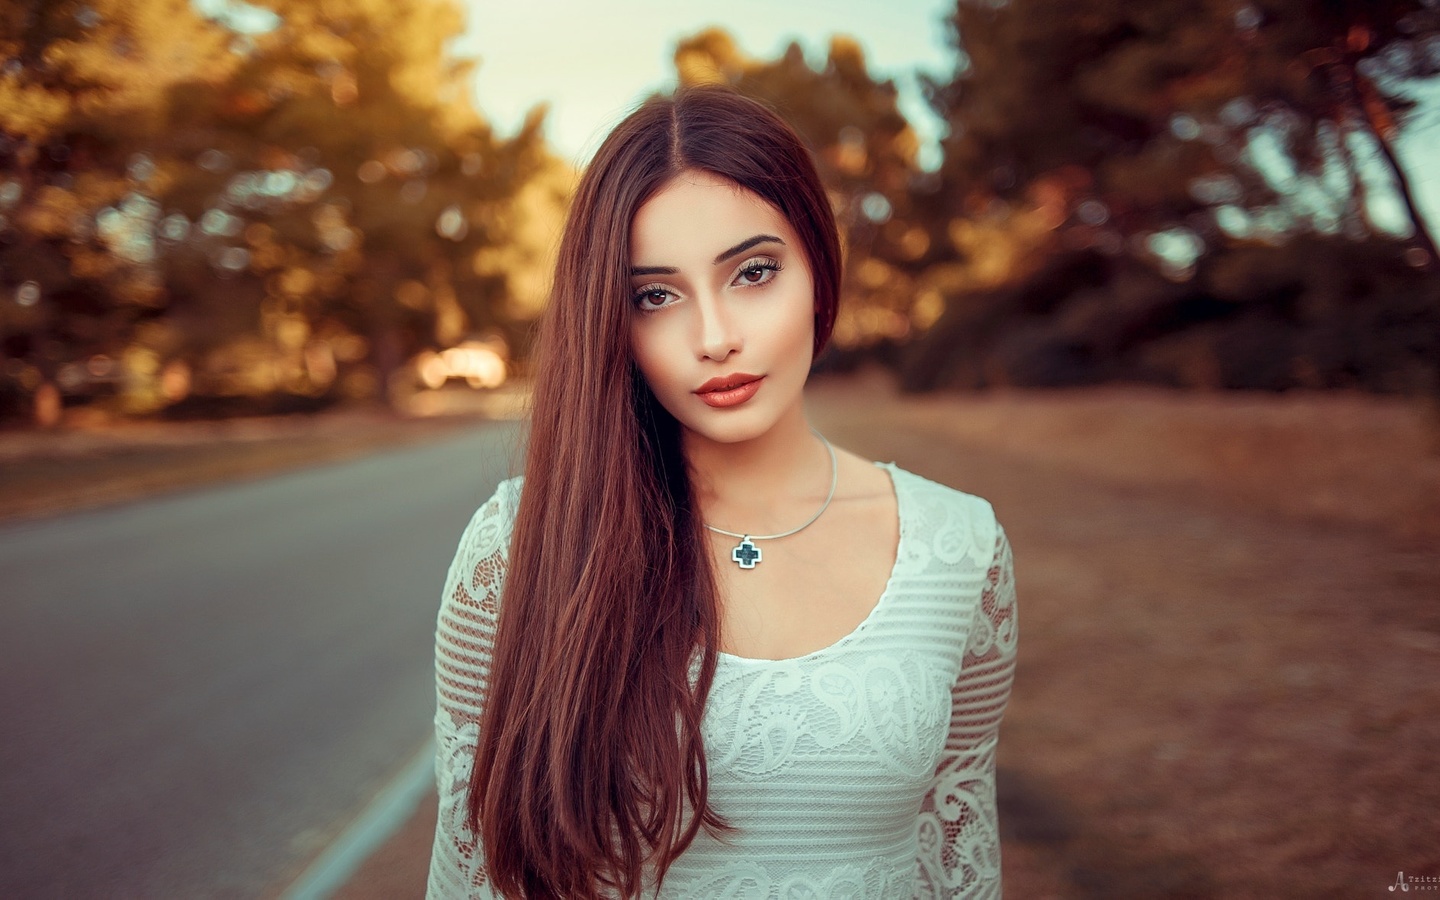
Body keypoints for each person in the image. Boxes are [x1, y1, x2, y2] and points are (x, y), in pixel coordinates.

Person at [426, 86, 1017, 899]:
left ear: (818, 267)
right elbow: (472, 877)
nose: (715, 337)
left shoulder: (960, 549)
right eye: (655, 295)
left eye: (754, 272)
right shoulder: (519, 544)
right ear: (614, 324)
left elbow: (957, 863)